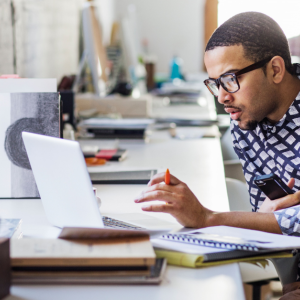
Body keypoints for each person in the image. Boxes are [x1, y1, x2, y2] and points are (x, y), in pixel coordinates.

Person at [134, 12, 300, 298]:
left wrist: (207, 218)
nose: (222, 97)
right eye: (214, 83)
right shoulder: (245, 124)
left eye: (230, 79)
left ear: (275, 70)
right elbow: (269, 224)